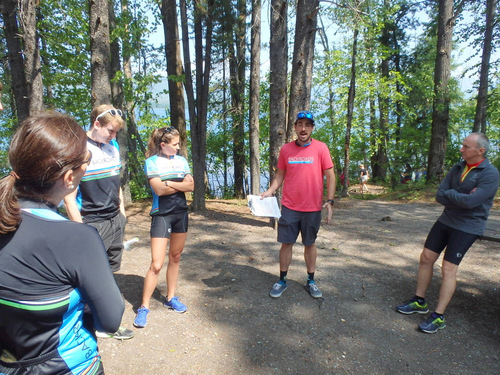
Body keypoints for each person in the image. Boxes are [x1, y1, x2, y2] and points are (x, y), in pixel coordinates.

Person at [0, 112, 124, 374]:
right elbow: (111, 321)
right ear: (69, 179)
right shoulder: (77, 239)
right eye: (85, 162)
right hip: (65, 366)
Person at [396, 133, 499, 334]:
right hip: (446, 220)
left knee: (448, 268)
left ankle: (438, 316)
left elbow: (472, 202)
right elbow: (439, 194)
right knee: (426, 258)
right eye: (462, 145)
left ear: (481, 151)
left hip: (468, 226)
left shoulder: (490, 173)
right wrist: (457, 196)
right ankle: (419, 301)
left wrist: (452, 195)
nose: (461, 149)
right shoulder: (458, 167)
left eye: (466, 146)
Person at [64, 104, 133, 340]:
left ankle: (102, 321)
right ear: (96, 124)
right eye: (110, 131)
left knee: (109, 271)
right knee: (88, 275)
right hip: (92, 221)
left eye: (115, 132)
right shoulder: (79, 149)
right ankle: (86, 323)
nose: (113, 136)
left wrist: (122, 213)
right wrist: (81, 230)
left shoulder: (112, 146)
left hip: (114, 219)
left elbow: (117, 182)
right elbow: (68, 196)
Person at [261, 111, 336, 299]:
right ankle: (282, 280)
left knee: (310, 243)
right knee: (286, 243)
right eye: (300, 124)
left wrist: (330, 200)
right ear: (295, 127)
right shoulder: (286, 150)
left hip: (312, 208)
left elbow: (330, 175)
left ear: (312, 128)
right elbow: (280, 174)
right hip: (290, 206)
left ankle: (311, 281)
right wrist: (269, 191)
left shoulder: (321, 148)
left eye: (307, 125)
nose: (303, 128)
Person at [133, 126, 194, 328]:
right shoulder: (151, 162)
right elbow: (158, 189)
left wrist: (168, 182)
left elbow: (191, 186)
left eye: (178, 144)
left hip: (181, 214)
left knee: (175, 257)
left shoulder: (181, 161)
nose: (178, 148)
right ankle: (143, 307)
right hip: (162, 215)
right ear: (163, 145)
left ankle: (170, 297)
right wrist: (177, 184)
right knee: (156, 264)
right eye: (175, 144)